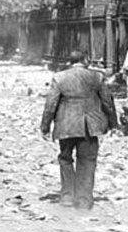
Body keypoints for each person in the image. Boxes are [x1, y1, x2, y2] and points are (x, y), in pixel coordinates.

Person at [39, 47, 118, 210]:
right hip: (90, 125)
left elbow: (51, 104)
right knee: (87, 161)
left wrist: (45, 126)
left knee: (65, 159)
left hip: (66, 124)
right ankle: (83, 200)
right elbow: (107, 102)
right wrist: (113, 123)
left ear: (70, 62)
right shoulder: (97, 77)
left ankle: (67, 195)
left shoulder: (59, 78)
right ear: (86, 60)